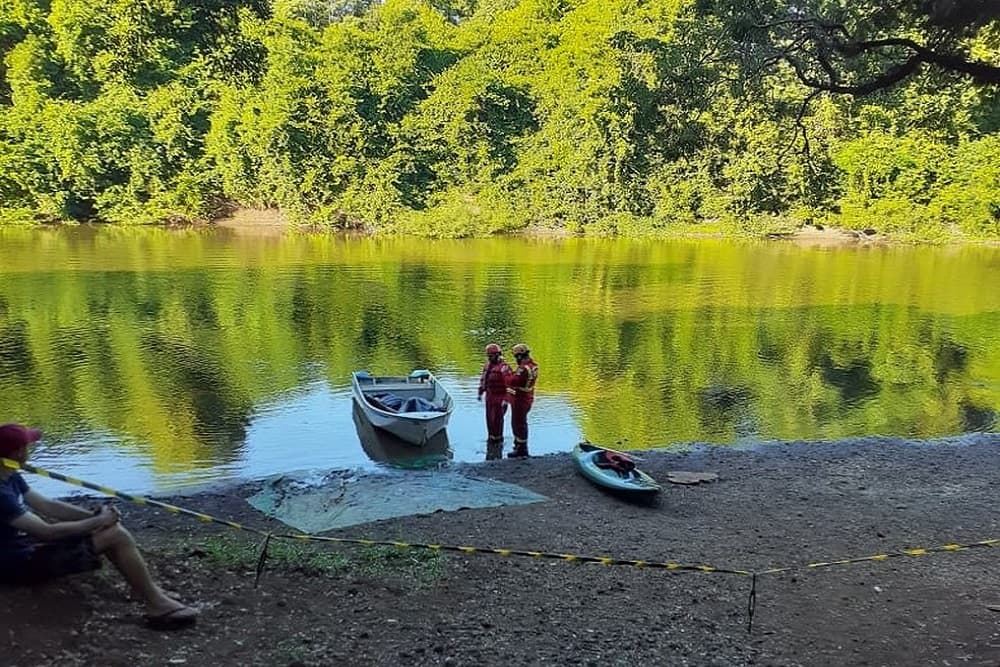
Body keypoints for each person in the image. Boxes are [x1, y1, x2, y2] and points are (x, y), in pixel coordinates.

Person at [0, 423, 199, 630]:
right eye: (28, 446)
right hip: (16, 566)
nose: (31, 450)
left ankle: (145, 590)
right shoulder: (1, 493)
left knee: (107, 530)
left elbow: (48, 506)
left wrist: (95, 517)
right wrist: (98, 521)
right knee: (116, 536)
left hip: (20, 548)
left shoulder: (10, 474)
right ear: (18, 452)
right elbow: (47, 532)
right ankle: (156, 605)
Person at [477, 343, 512, 460]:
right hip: (490, 396)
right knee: (489, 419)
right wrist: (480, 391)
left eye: (491, 356)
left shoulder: (504, 367)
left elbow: (510, 385)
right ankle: (491, 440)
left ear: (498, 355)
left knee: (497, 420)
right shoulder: (487, 366)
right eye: (488, 356)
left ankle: (498, 441)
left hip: (500, 397)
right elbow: (483, 379)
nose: (490, 358)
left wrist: (506, 400)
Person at [505, 343, 539, 458]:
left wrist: (507, 374)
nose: (516, 359)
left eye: (516, 357)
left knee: (518, 423)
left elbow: (513, 381)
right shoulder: (533, 365)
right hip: (528, 396)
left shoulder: (524, 368)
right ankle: (519, 446)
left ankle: (521, 448)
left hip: (520, 398)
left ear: (520, 356)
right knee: (520, 422)